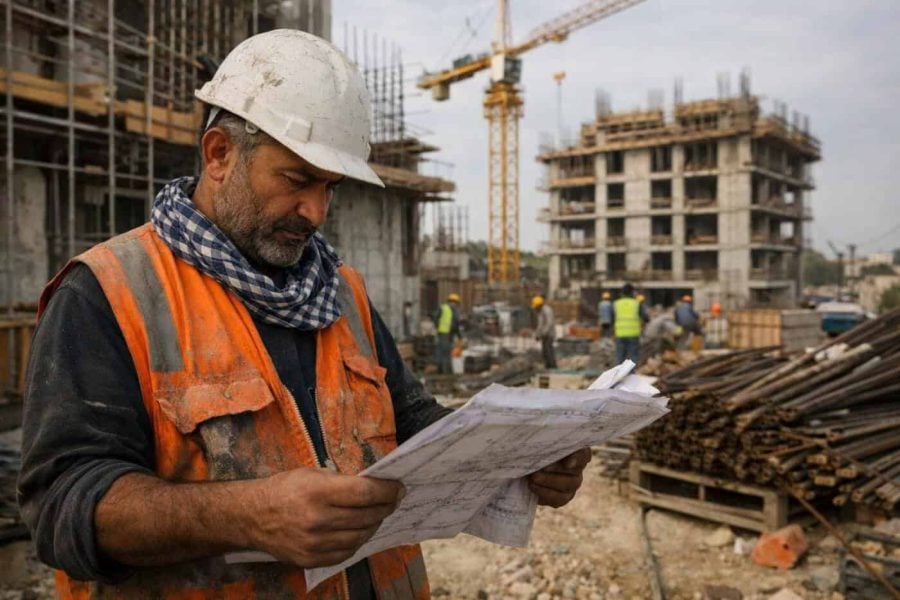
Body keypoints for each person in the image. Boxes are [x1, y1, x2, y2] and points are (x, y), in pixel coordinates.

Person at [18, 30, 592, 600]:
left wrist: (513, 457)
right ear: (219, 155)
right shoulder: (109, 293)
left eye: (329, 187)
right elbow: (60, 506)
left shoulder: (340, 290)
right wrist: (245, 515)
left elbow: (409, 419)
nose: (315, 211)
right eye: (296, 180)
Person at [612, 283, 646, 364]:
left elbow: (612, 319)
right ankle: (631, 375)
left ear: (622, 292)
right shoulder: (637, 304)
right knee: (633, 358)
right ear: (632, 292)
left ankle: (619, 375)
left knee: (620, 356)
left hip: (620, 334)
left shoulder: (616, 304)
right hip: (633, 334)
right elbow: (645, 317)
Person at [434, 292, 462, 374]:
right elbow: (456, 323)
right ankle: (446, 371)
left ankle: (439, 369)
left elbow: (435, 319)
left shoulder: (442, 307)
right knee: (446, 352)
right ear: (456, 302)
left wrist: (438, 328)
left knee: (440, 351)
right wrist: (459, 336)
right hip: (448, 334)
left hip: (441, 333)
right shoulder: (454, 310)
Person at [532, 295, 557, 369]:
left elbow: (550, 323)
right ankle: (548, 366)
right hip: (544, 334)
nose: (535, 308)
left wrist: (543, 333)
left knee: (549, 350)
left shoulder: (547, 310)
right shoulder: (540, 312)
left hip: (549, 334)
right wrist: (537, 334)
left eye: (536, 306)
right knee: (544, 352)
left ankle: (552, 366)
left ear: (540, 305)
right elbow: (540, 324)